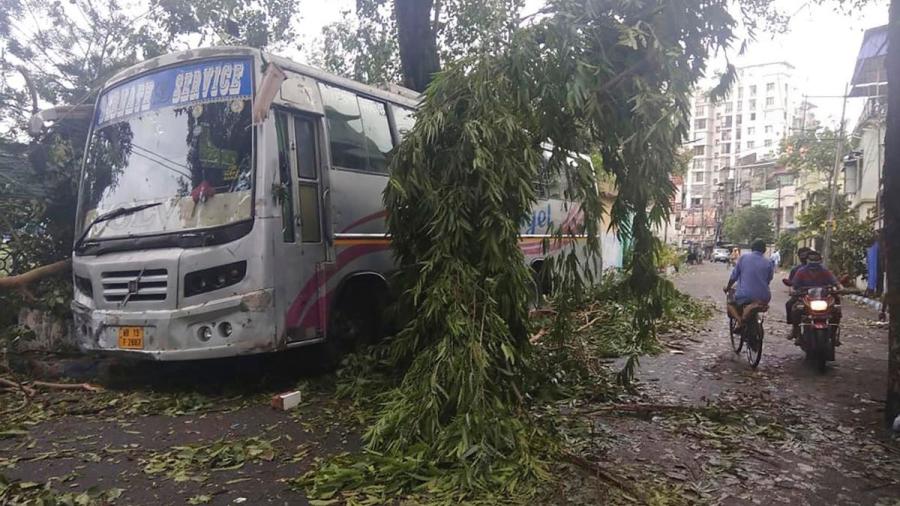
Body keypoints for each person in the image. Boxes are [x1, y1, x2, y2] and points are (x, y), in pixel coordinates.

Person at [790, 250, 843, 344]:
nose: (814, 262)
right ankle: (797, 332)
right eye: (812, 259)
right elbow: (794, 286)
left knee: (836, 310)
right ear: (807, 260)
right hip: (806, 298)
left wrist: (840, 288)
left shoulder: (825, 271)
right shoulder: (801, 272)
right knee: (795, 309)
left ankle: (834, 335)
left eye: (816, 259)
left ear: (820, 261)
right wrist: (793, 291)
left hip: (823, 299)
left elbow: (836, 282)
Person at [724, 239, 774, 328]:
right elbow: (769, 279)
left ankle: (740, 321)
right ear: (764, 250)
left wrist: (728, 288)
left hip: (745, 295)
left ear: (752, 248)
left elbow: (733, 277)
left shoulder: (743, 258)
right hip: (764, 296)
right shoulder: (768, 262)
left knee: (730, 303)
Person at [783, 246, 811, 340]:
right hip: (802, 296)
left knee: (835, 308)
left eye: (806, 255)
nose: (804, 258)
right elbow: (792, 284)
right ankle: (795, 329)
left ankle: (833, 332)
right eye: (802, 256)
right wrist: (794, 291)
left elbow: (831, 280)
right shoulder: (796, 270)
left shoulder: (819, 268)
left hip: (818, 296)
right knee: (790, 305)